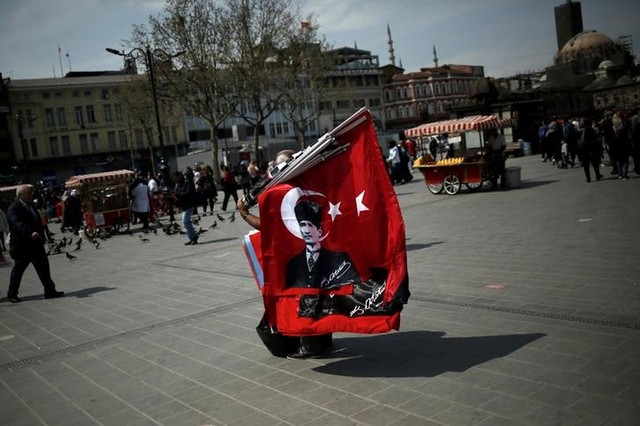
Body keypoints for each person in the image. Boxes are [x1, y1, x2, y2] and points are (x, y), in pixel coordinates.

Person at [236, 151, 333, 359]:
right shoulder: (310, 184)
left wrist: (244, 213)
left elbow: (271, 226)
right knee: (319, 294)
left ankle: (309, 345)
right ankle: (323, 338)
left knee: (301, 299)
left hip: (297, 256)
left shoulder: (281, 192)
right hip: (318, 251)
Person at [6, 184, 65, 303]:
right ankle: (12, 293)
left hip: (36, 244)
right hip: (22, 245)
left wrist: (42, 235)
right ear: (20, 195)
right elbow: (17, 223)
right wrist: (30, 233)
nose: (31, 194)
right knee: (18, 270)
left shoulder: (31, 205)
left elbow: (37, 221)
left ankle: (50, 291)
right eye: (28, 193)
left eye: (31, 192)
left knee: (44, 268)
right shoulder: (14, 208)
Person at [285, 200, 360, 289]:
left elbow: (353, 287)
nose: (306, 230)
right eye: (302, 225)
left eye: (310, 225)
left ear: (319, 232)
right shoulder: (293, 264)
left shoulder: (340, 259)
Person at [173, 171, 199, 245]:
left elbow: (189, 192)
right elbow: (176, 192)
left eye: (175, 178)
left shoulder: (187, 182)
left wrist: (179, 194)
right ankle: (192, 238)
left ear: (179, 176)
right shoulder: (177, 184)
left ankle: (194, 236)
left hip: (190, 204)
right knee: (186, 222)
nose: (175, 180)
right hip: (184, 205)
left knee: (185, 221)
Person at [578, 117, 603, 183]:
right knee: (595, 163)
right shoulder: (590, 129)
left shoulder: (582, 130)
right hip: (591, 149)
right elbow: (593, 140)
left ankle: (588, 177)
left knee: (586, 165)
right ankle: (597, 175)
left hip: (584, 150)